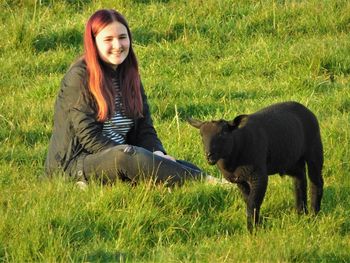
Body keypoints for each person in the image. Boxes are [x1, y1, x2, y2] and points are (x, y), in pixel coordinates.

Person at [45, 9, 218, 187]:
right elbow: (89, 136)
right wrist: (134, 156)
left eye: (122, 37)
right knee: (125, 156)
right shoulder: (79, 77)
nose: (118, 45)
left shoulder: (129, 74)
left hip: (123, 155)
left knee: (172, 163)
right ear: (93, 43)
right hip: (75, 163)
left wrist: (156, 153)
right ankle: (203, 182)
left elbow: (144, 129)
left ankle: (214, 182)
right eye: (108, 39)